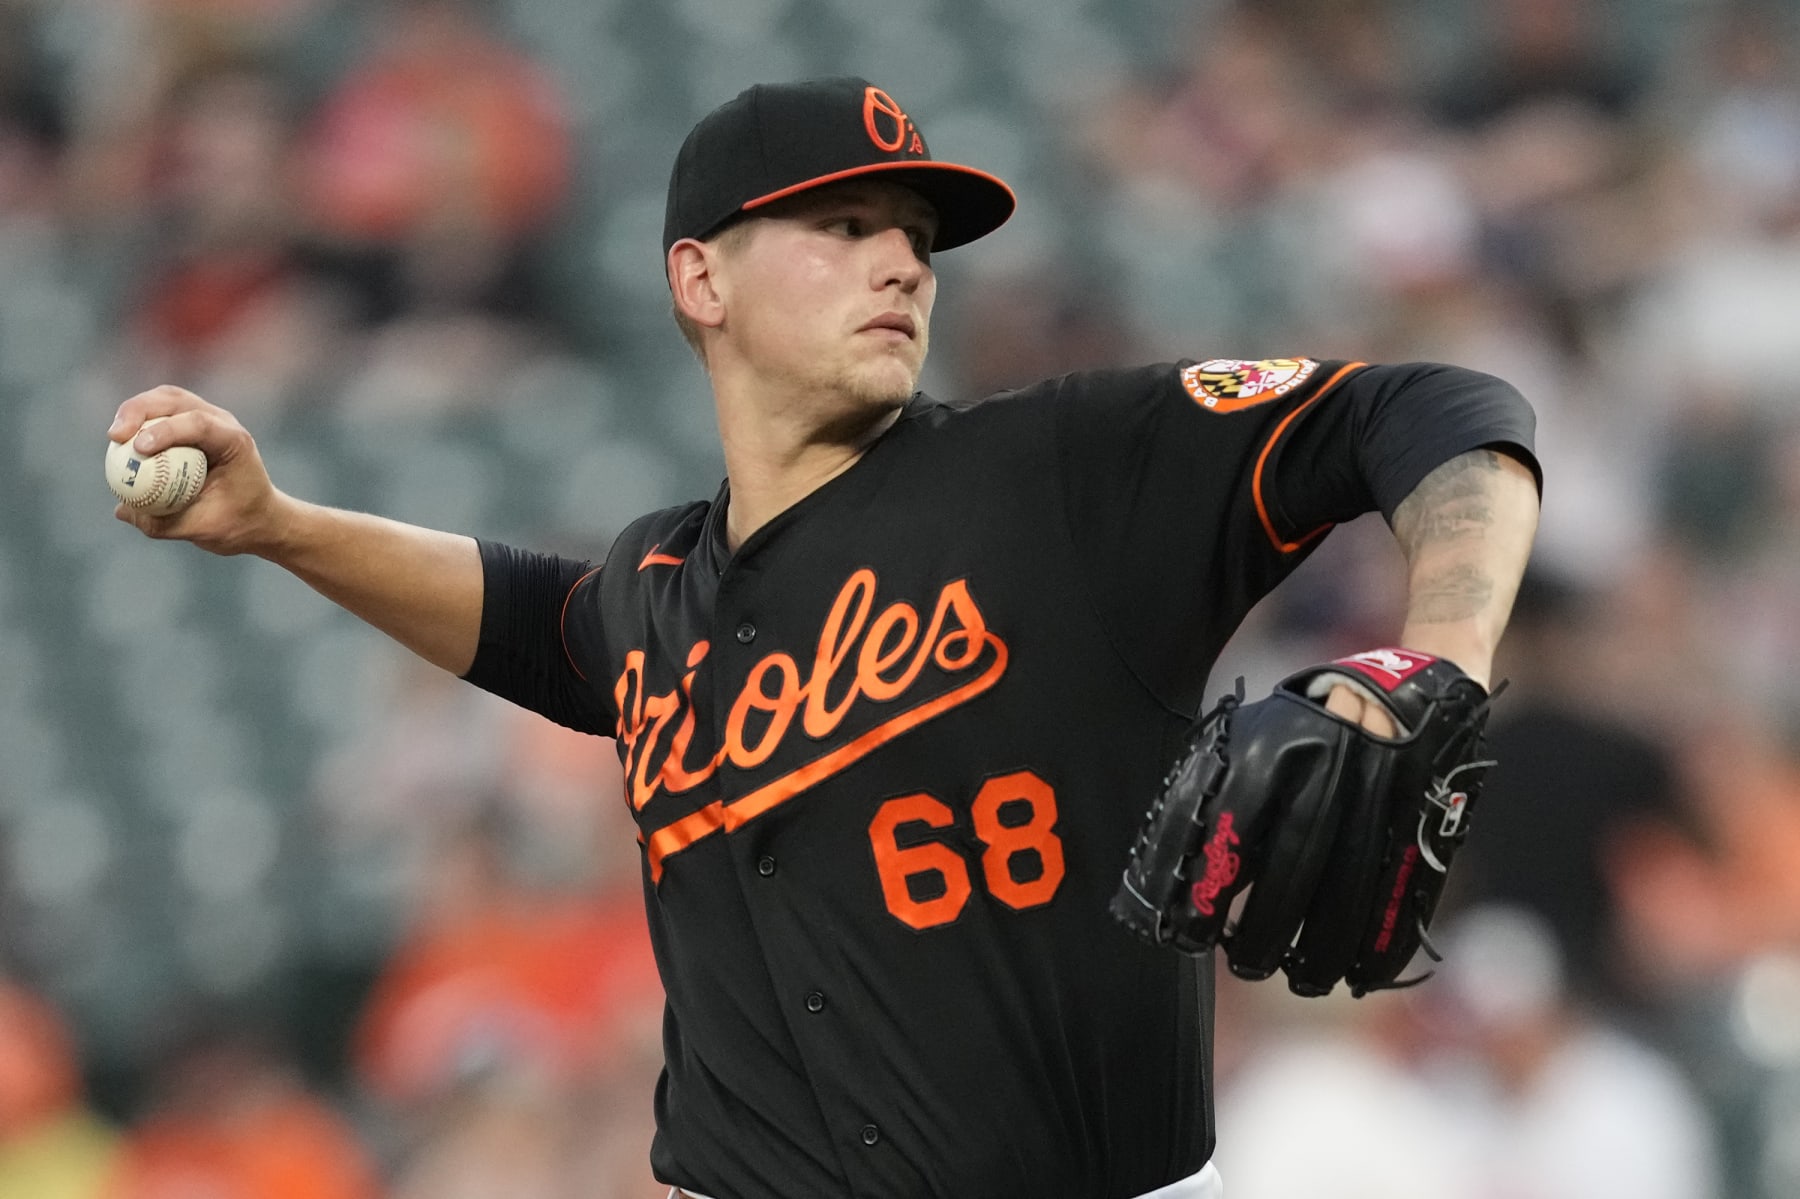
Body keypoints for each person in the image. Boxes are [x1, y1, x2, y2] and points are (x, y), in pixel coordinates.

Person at [110, 77, 1541, 1199]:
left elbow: (1438, 410)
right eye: (844, 228)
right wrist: (278, 524)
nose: (902, 266)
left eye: (915, 240)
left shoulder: (1066, 471)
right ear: (700, 282)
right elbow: (546, 626)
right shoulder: (658, 586)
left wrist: (1439, 660)